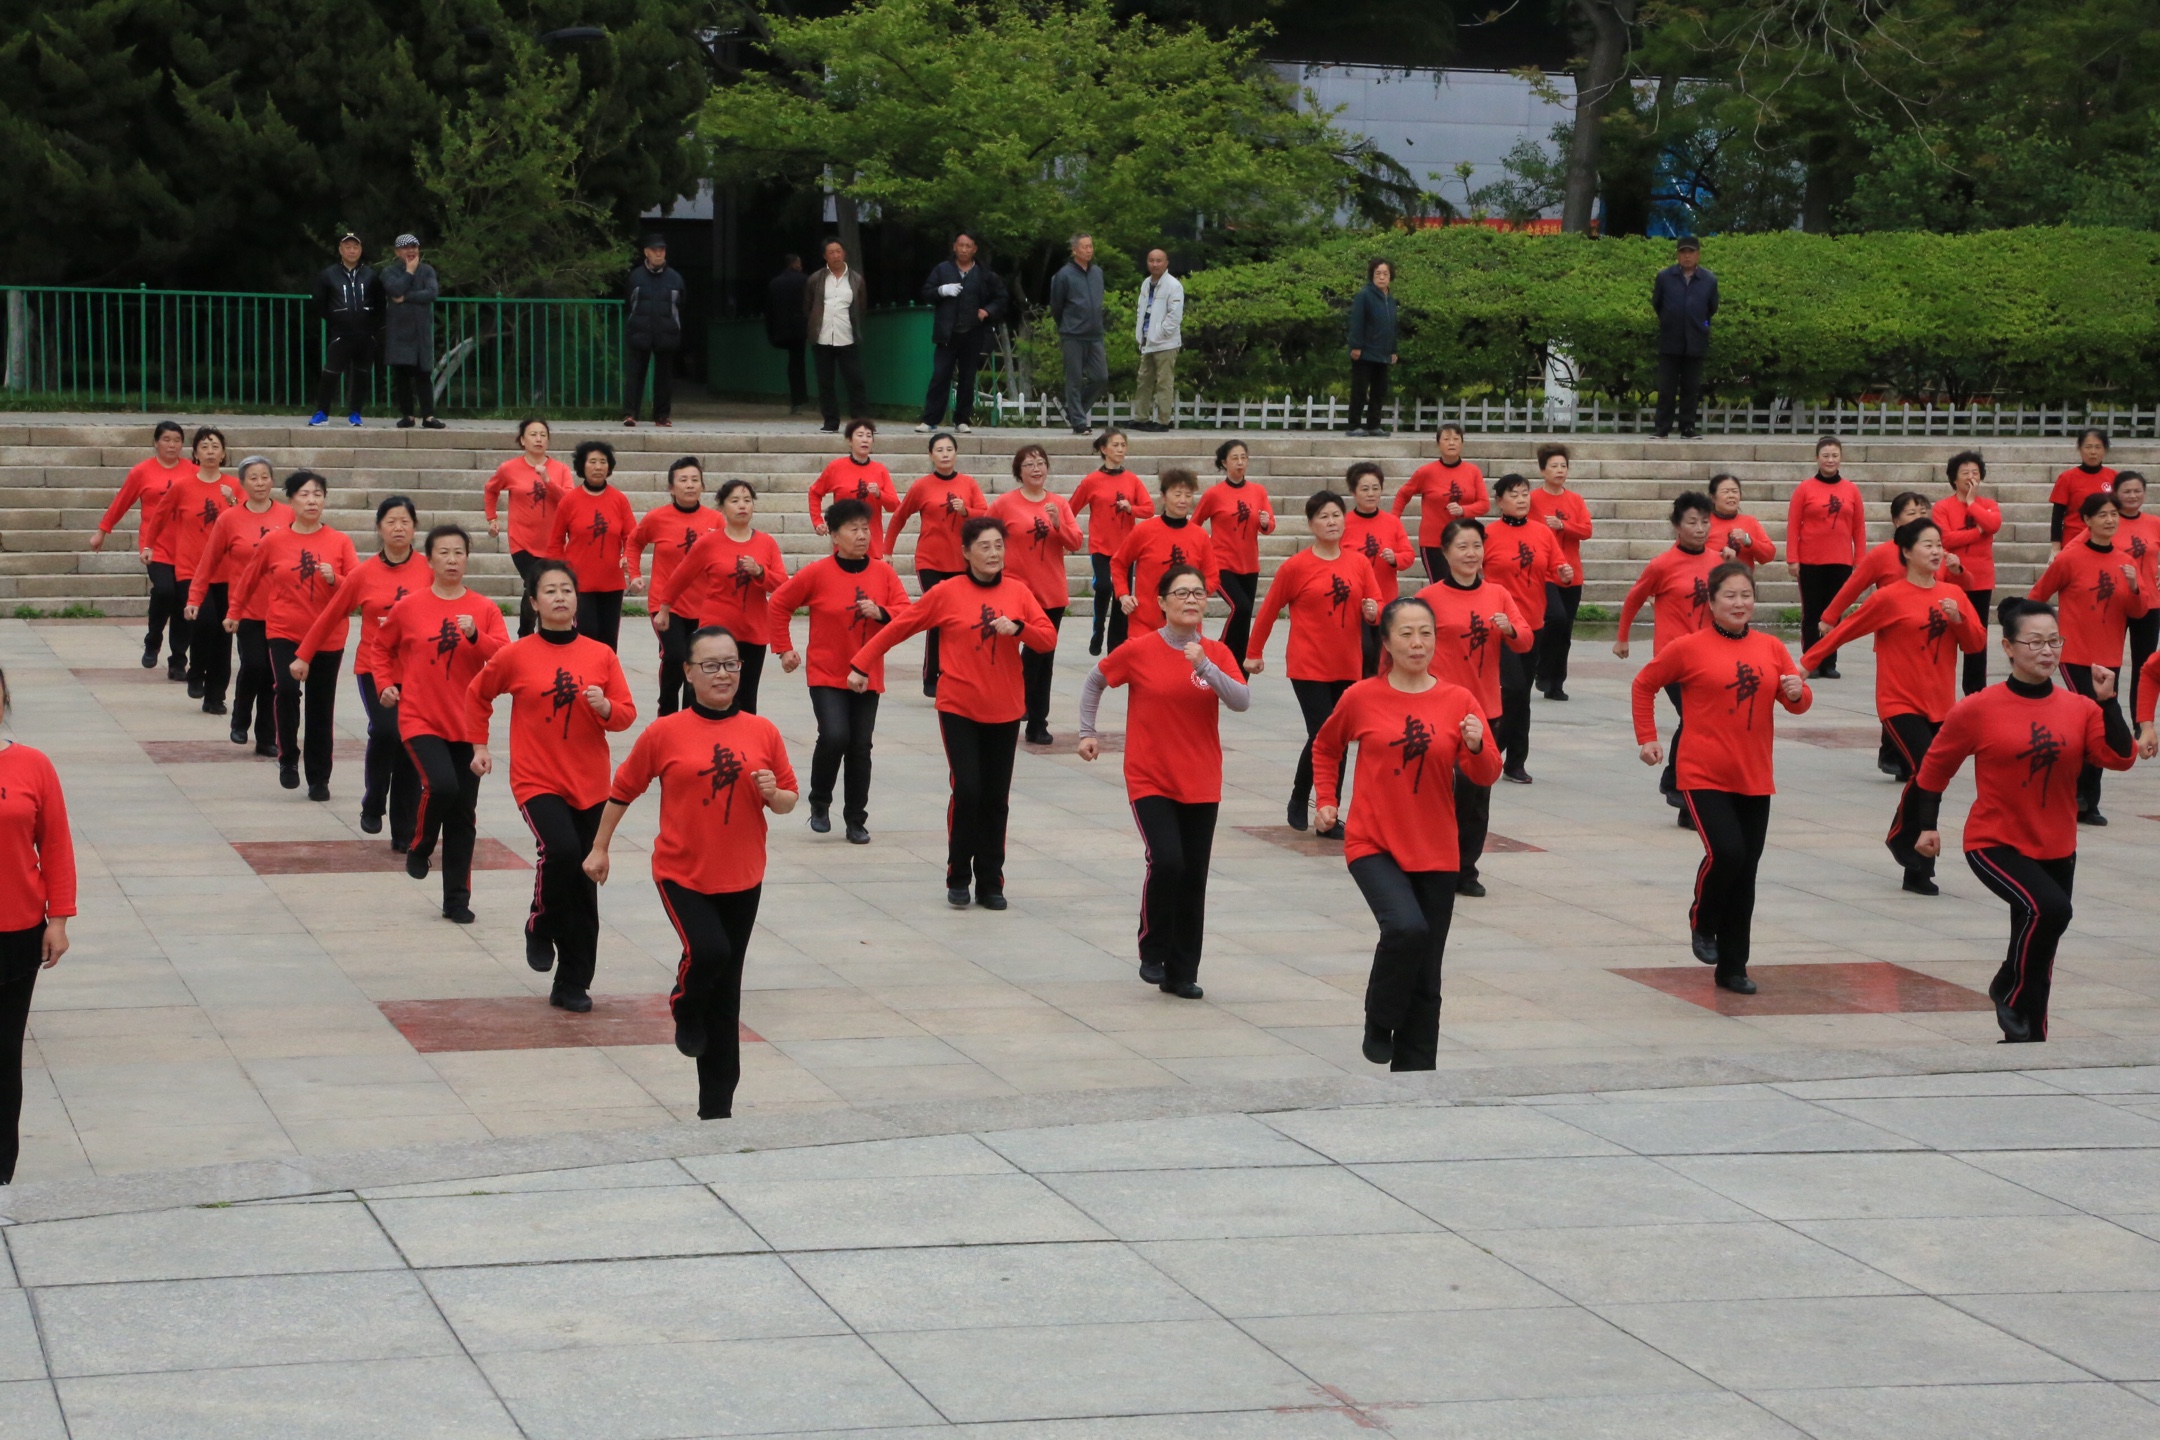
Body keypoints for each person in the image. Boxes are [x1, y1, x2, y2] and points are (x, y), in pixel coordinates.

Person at [585, 626, 797, 1116]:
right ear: (688, 672)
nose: (723, 674)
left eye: (731, 664)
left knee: (727, 989)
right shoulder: (665, 732)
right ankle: (683, 1002)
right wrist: (600, 848)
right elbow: (623, 789)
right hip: (682, 873)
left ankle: (716, 1106)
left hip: (744, 875)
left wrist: (772, 793)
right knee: (709, 951)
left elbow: (787, 801)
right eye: (711, 665)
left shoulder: (762, 731)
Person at [1916, 598, 2133, 1043]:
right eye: (2034, 642)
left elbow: (2120, 757)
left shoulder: (2080, 708)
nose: (2046, 651)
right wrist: (1926, 826)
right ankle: (2008, 989)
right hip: (1994, 842)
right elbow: (1934, 770)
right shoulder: (1977, 708)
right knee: (2050, 910)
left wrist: (2108, 702)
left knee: (2042, 937)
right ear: (2008, 648)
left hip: (2057, 843)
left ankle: (2030, 1035)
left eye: (2054, 641)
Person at [1313, 597, 1500, 1069]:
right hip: (1373, 842)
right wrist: (1328, 800)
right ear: (1387, 641)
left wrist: (1476, 746)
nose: (1418, 643)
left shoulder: (1458, 700)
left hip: (1437, 849)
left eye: (1426, 633)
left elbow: (1487, 774)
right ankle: (1379, 1017)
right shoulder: (1361, 697)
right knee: (1405, 927)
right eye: (1406, 634)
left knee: (1428, 973)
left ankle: (1416, 1075)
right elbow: (1326, 745)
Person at [851, 517, 1056, 908]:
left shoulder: (1019, 592)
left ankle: (991, 881)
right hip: (959, 706)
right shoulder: (946, 593)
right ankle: (959, 873)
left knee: (996, 797)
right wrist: (861, 663)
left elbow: (1047, 639)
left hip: (1006, 707)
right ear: (966, 552)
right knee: (968, 789)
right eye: (985, 546)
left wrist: (1020, 628)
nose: (994, 553)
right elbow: (902, 626)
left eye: (999, 545)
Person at [1631, 563, 1811, 994]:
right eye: (1729, 595)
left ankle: (1733, 967)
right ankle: (1702, 920)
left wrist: (1796, 692)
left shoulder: (1770, 647)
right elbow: (1644, 684)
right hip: (1703, 773)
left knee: (1746, 872)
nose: (1739, 603)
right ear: (1710, 602)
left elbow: (1798, 703)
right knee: (1727, 853)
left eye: (1746, 595)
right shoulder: (1688, 648)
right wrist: (1648, 739)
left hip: (1754, 775)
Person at [469, 560, 635, 1010]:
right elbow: (477, 694)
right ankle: (539, 925)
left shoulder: (600, 654)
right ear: (533, 602)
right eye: (550, 591)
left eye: (567, 589)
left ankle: (573, 983)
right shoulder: (515, 655)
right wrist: (479, 744)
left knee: (583, 881)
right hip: (536, 778)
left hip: (590, 783)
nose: (560, 597)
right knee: (560, 852)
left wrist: (604, 708)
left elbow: (625, 715)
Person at [1078, 563, 1249, 998]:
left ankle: (1182, 973)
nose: (1192, 600)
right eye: (1182, 593)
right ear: (1162, 602)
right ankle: (1152, 949)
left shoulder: (1214, 652)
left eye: (1198, 593)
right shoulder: (1139, 649)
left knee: (1194, 877)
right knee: (1168, 860)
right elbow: (1096, 679)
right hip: (1150, 775)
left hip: (1202, 779)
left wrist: (1206, 666)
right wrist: (1087, 732)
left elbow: (1241, 701)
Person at [1802, 517, 1986, 894]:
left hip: (1941, 704)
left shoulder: (1954, 596)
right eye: (1928, 545)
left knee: (1933, 778)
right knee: (1927, 770)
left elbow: (1976, 645)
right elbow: (1846, 630)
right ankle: (1915, 857)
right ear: (1906, 551)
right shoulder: (1889, 596)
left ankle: (1908, 849)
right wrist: (1805, 665)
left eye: (1939, 544)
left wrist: (1958, 618)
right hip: (1899, 701)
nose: (1936, 551)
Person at [375, 525, 509, 925]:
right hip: (420, 718)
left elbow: (503, 657)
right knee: (441, 786)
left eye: (459, 553)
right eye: (444, 553)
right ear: (429, 559)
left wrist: (474, 636)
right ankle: (420, 844)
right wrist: (384, 684)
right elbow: (380, 648)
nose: (452, 560)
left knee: (463, 813)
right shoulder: (409, 606)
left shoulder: (484, 609)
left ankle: (456, 900)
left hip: (468, 725)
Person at [1247, 491, 1389, 836]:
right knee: (1323, 733)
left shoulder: (1358, 563)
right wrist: (1254, 652)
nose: (1331, 522)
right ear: (1311, 524)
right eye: (1323, 517)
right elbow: (1268, 611)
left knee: (1335, 739)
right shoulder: (1296, 567)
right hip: (1308, 664)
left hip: (1347, 663)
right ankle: (1301, 797)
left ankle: (1329, 812)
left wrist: (1374, 613)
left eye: (1336, 515)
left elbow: (1378, 603)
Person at [771, 498, 910, 843]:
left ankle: (855, 819)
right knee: (835, 736)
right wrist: (784, 648)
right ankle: (820, 802)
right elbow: (779, 603)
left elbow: (906, 614)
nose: (862, 535)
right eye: (854, 529)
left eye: (866, 528)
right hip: (826, 671)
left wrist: (881, 612)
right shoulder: (817, 573)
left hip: (866, 673)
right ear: (834, 536)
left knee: (860, 746)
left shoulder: (883, 572)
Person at [1415, 519, 1531, 899]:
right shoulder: (1427, 598)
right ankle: (1429, 861)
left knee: (1476, 791)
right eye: (1462, 547)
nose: (1470, 554)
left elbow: (1525, 639)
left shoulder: (1498, 594)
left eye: (1477, 546)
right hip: (1437, 707)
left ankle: (1465, 869)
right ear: (1445, 552)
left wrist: (1510, 630)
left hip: (1484, 710)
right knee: (1433, 788)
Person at [299, 497, 423, 845]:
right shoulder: (364, 574)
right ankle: (373, 801)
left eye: (405, 521)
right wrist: (304, 655)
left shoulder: (430, 570)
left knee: (410, 742)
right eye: (391, 521)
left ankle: (404, 829)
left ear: (414, 528)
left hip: (418, 672)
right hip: (375, 667)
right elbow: (331, 615)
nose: (398, 528)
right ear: (379, 528)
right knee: (386, 732)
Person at [230, 470, 358, 799]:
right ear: (291, 501)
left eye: (317, 494)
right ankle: (288, 757)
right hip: (285, 631)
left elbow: (357, 591)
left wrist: (336, 580)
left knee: (320, 707)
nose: (311, 500)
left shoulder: (340, 541)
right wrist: (234, 612)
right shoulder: (274, 541)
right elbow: (249, 577)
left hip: (327, 636)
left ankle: (319, 778)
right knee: (286, 691)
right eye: (304, 494)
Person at [2028, 491, 2147, 825]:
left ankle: (2086, 798)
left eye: (2114, 514)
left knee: (2101, 726)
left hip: (2110, 657)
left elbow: (2137, 613)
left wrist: (2135, 586)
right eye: (2103, 514)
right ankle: (2078, 797)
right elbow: (2038, 597)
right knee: (2089, 722)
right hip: (2075, 654)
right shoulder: (2070, 557)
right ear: (2087, 521)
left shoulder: (2126, 560)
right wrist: (2046, 639)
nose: (2110, 520)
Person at [0, 667, 73, 1193]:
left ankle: (1, 1168)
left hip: (16, 929)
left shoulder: (32, 764)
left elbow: (56, 845)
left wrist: (60, 918)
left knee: (4, 1052)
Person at [1820, 490, 1943, 781]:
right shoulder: (1883, 555)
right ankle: (1895, 755)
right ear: (1896, 519)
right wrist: (1829, 617)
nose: (1918, 518)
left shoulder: (1935, 553)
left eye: (1923, 513)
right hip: (1893, 640)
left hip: (1928, 641)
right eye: (1911, 513)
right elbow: (1854, 584)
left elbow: (1952, 587)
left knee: (1921, 699)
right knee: (1897, 699)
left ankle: (1903, 754)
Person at [1615, 491, 1722, 821]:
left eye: (1705, 522)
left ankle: (1682, 794)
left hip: (1708, 656)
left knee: (1699, 723)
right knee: (1694, 719)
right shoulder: (1661, 565)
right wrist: (1622, 639)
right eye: (1692, 522)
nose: (1700, 528)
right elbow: (1635, 599)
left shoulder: (1718, 563)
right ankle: (1677, 785)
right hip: (1673, 659)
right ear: (1677, 525)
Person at [656, 480, 787, 714]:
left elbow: (782, 585)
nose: (742, 506)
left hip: (753, 632)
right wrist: (664, 607)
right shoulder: (709, 542)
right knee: (704, 693)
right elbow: (681, 577)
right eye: (735, 501)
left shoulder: (766, 543)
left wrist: (760, 572)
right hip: (716, 631)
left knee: (746, 699)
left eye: (747, 500)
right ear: (722, 508)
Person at [187, 457, 289, 734]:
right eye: (253, 478)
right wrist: (194, 598)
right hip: (245, 608)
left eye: (265, 477)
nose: (260, 483)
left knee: (273, 673)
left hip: (282, 610)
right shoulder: (229, 519)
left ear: (272, 480)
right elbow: (208, 562)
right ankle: (242, 713)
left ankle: (267, 734)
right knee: (254, 664)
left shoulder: (288, 516)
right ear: (242, 483)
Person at [989, 444, 1082, 744]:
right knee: (1014, 654)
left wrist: (1057, 524)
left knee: (1043, 659)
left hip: (1051, 595)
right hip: (1016, 592)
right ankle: (1008, 709)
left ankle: (1037, 722)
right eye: (1029, 464)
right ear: (1019, 472)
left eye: (1041, 462)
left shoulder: (1059, 504)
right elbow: (983, 533)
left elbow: (1076, 542)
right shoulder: (1005, 504)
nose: (1036, 468)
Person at [1484, 472, 1571, 784]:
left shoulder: (1542, 533)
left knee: (1520, 697)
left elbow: (1558, 569)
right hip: (1500, 626)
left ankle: (1513, 761)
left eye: (1524, 494)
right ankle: (1496, 752)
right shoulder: (1487, 535)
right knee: (1516, 691)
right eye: (1514, 494)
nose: (1521, 499)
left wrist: (1564, 571)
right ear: (1499, 502)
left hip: (1533, 623)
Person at [885, 434, 987, 696]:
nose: (944, 454)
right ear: (931, 455)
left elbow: (985, 515)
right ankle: (932, 677)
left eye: (949, 449)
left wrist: (966, 511)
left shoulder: (968, 483)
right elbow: (899, 517)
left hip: (962, 562)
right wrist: (887, 551)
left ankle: (958, 672)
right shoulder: (922, 486)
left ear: (956, 453)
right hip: (930, 561)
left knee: (962, 619)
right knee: (937, 616)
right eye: (939, 450)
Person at [145, 427, 236, 706]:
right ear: (195, 453)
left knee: (223, 632)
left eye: (215, 446)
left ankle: (215, 696)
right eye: (204, 447)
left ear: (223, 453)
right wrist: (149, 545)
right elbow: (159, 517)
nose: (210, 451)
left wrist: (233, 500)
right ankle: (196, 673)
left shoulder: (234, 485)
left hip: (226, 571)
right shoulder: (183, 486)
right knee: (204, 621)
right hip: (190, 570)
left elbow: (248, 518)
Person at [93, 421, 190, 674]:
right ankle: (153, 640)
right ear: (156, 443)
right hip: (155, 544)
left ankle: (178, 660)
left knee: (184, 599)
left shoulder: (192, 471)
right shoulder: (142, 471)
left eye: (177, 440)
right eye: (166, 439)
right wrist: (102, 531)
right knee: (165, 591)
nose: (172, 445)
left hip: (188, 546)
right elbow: (121, 501)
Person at [629, 458, 722, 717]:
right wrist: (634, 574)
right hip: (666, 605)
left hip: (704, 605)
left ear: (702, 486)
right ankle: (666, 712)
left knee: (698, 662)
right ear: (671, 488)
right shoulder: (657, 518)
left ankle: (691, 716)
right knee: (674, 656)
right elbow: (634, 542)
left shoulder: (716, 520)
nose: (690, 485)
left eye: (695, 480)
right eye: (683, 480)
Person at [484, 419, 576, 639]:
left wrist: (548, 480)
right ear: (523, 440)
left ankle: (544, 632)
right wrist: (492, 518)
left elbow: (569, 501)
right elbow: (490, 490)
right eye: (533, 434)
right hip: (521, 541)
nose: (538, 439)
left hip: (552, 543)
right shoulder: (509, 468)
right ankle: (527, 633)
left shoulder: (560, 469)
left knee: (543, 586)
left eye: (543, 435)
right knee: (534, 582)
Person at [1786, 435, 1868, 678]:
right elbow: (1793, 525)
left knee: (1834, 613)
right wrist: (1793, 558)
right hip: (1810, 560)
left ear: (1840, 459)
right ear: (1817, 458)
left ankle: (1829, 661)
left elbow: (1859, 528)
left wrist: (1860, 560)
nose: (1830, 460)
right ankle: (1810, 661)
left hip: (1840, 560)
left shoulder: (1851, 490)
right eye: (1825, 455)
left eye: (1834, 455)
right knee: (1811, 613)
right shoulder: (1804, 488)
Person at [1071, 429, 1154, 655]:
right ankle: (1098, 629)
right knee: (1104, 586)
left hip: (1125, 549)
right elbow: (1071, 508)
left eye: (1123, 445)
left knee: (1122, 598)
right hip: (1100, 546)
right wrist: (1066, 529)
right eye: (1115, 445)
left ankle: (1116, 648)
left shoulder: (1132, 480)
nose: (1120, 449)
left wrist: (1131, 509)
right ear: (1103, 449)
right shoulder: (1091, 481)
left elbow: (1149, 509)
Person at [1111, 468, 1220, 639]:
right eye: (1177, 494)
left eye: (1188, 495)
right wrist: (1123, 595)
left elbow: (1212, 577)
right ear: (1163, 496)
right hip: (1145, 624)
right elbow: (1118, 563)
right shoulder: (1144, 531)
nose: (1183, 500)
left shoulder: (1200, 536)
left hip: (1186, 627)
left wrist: (1194, 594)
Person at [1193, 440, 1275, 666]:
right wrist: (1202, 552)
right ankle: (1219, 652)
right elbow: (1194, 524)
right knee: (1241, 607)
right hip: (1221, 564)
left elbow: (1268, 525)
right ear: (1224, 463)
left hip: (1249, 565)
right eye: (1235, 458)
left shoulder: (1258, 491)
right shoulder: (1214, 494)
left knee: (1244, 618)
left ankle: (1239, 668)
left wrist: (1266, 522)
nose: (1240, 462)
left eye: (1244, 458)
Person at [918, 230, 1007, 433]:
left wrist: (987, 311)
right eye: (961, 245)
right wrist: (941, 290)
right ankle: (930, 419)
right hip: (947, 334)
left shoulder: (984, 274)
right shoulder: (942, 270)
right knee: (940, 376)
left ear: (974, 249)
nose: (964, 249)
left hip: (973, 333)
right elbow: (926, 292)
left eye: (969, 246)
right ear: (954, 247)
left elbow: (1001, 298)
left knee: (968, 378)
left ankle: (962, 420)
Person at [552, 440, 635, 651]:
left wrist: (629, 558)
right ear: (582, 466)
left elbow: (632, 537)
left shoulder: (619, 500)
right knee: (587, 633)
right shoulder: (569, 501)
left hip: (612, 582)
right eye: (592, 462)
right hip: (579, 582)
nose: (598, 467)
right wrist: (557, 575)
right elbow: (555, 542)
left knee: (608, 640)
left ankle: (606, 682)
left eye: (603, 462)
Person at [1526, 445, 1594, 700]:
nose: (1559, 470)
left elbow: (1587, 530)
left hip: (1572, 571)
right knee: (1555, 618)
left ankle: (1556, 684)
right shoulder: (1532, 499)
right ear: (1543, 470)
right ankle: (1542, 669)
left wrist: (1563, 525)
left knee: (1566, 629)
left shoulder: (1575, 500)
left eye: (1563, 466)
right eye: (1554, 466)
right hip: (1545, 572)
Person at [1936, 450, 2002, 697]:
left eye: (1975, 473)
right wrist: (1978, 533)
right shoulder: (1943, 507)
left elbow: (1993, 525)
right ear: (1954, 479)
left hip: (1981, 579)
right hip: (1951, 578)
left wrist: (1973, 503)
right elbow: (1946, 538)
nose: (1971, 477)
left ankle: (1975, 690)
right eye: (1965, 473)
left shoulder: (1988, 505)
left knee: (1977, 634)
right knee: (1946, 632)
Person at [1342, 462, 1415, 677]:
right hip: (1354, 600)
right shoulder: (1344, 523)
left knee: (1380, 654)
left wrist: (1395, 559)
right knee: (1362, 651)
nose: (1371, 494)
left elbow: (1408, 556)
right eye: (1365, 489)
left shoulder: (1392, 523)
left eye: (1375, 488)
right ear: (1353, 492)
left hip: (1385, 598)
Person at [1393, 425, 1486, 581]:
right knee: (1440, 586)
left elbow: (1484, 504)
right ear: (1438, 444)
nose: (1452, 443)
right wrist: (1393, 521)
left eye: (1456, 439)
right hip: (1434, 541)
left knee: (1465, 585)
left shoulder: (1473, 471)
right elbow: (1403, 494)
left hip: (1465, 541)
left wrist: (1463, 510)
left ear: (1462, 444)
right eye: (1446, 439)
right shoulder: (1426, 472)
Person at [309, 231, 382, 427]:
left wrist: (372, 327)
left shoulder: (371, 275)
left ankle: (355, 413)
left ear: (361, 250)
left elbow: (380, 303)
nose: (352, 250)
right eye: (347, 246)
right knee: (330, 373)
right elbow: (319, 302)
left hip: (365, 335)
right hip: (341, 334)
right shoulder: (328, 275)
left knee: (362, 374)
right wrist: (335, 320)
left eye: (355, 247)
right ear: (340, 250)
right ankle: (322, 412)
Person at [1650, 237, 1717, 439]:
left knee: (1691, 387)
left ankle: (1687, 427)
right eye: (1683, 252)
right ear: (1678, 254)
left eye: (1691, 252)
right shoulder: (1664, 277)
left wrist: (1700, 324)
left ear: (1698, 254)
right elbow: (1657, 304)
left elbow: (1711, 308)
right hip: (1670, 339)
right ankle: (1662, 428)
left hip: (1696, 340)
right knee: (1666, 388)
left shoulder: (1709, 279)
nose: (1687, 256)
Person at [807, 420, 900, 559]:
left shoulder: (880, 470)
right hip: (844, 542)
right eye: (860, 435)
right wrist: (817, 521)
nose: (865, 440)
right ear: (850, 441)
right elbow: (814, 493)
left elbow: (895, 506)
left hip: (872, 543)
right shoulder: (836, 467)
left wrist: (879, 494)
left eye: (869, 436)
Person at [807, 238, 870, 434]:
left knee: (855, 379)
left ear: (844, 253)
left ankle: (859, 423)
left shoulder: (856, 279)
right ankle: (830, 421)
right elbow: (808, 306)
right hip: (822, 335)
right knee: (825, 381)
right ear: (825, 256)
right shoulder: (816, 279)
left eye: (838, 251)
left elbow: (861, 307)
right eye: (831, 252)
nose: (835, 255)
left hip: (846, 335)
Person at [624, 235, 687, 428]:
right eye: (655, 250)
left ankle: (661, 416)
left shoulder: (675, 278)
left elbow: (681, 304)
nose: (659, 253)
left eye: (662, 250)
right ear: (646, 252)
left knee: (664, 377)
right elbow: (630, 302)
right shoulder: (636, 276)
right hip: (640, 332)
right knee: (635, 374)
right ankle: (629, 414)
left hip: (666, 334)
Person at [382, 234, 444, 430]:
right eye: (405, 248)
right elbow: (394, 289)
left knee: (423, 374)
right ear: (397, 252)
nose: (410, 251)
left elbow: (432, 293)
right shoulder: (389, 271)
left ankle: (428, 416)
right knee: (401, 375)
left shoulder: (427, 270)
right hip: (399, 331)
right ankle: (407, 415)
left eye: (414, 247)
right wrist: (408, 272)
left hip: (420, 332)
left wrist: (406, 297)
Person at [1048, 233, 1108, 434]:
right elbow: (1056, 305)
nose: (1089, 250)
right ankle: (1079, 422)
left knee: (1101, 377)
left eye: (1091, 246)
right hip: (1072, 333)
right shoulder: (1064, 275)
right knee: (1074, 379)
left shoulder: (1097, 272)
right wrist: (1065, 324)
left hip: (1095, 333)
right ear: (1074, 250)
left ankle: (1075, 411)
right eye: (1084, 247)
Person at [2113, 472, 2160, 722]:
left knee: (2144, 665)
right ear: (2116, 494)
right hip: (2114, 603)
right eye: (2127, 491)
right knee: (2110, 664)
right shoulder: (2108, 522)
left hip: (2150, 603)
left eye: (2137, 491)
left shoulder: (2154, 522)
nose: (2132, 496)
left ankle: (2140, 722)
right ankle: (2109, 720)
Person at [1345, 258, 1398, 438]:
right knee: (1360, 389)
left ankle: (1373, 425)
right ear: (1372, 275)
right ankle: (1353, 425)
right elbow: (1357, 322)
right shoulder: (1364, 296)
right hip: (1365, 351)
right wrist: (1356, 346)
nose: (1382, 277)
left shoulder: (1390, 300)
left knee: (1379, 390)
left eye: (1385, 274)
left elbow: (1392, 327)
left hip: (1383, 353)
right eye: (1378, 273)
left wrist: (1393, 350)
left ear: (1390, 276)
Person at [1132, 248, 1184, 432]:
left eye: (1159, 260)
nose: (1155, 264)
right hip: (1147, 341)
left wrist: (1159, 333)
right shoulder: (1146, 283)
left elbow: (1174, 317)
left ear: (1166, 262)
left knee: (1164, 381)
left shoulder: (1173, 285)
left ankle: (1163, 420)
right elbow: (1141, 310)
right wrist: (1143, 335)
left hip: (1166, 342)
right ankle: (1141, 417)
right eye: (1151, 260)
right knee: (1143, 380)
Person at [2050, 429, 2115, 554]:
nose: (2093, 452)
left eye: (2098, 447)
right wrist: (2055, 548)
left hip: (2106, 541)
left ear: (2105, 450)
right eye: (2088, 447)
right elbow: (2057, 516)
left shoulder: (2113, 477)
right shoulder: (2067, 477)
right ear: (2080, 449)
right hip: (2074, 541)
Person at [764, 254, 810, 414]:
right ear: (796, 264)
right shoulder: (805, 280)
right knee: (798, 362)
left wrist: (770, 332)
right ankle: (799, 399)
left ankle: (796, 401)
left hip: (782, 328)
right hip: (800, 327)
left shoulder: (775, 283)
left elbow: (770, 310)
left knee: (793, 363)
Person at [1707, 474, 1776, 574]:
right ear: (1713, 497)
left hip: (1742, 584)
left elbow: (1768, 555)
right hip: (1710, 583)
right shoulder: (1704, 523)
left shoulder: (1750, 522)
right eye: (1725, 492)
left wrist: (1748, 540)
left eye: (1735, 491)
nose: (1731, 495)